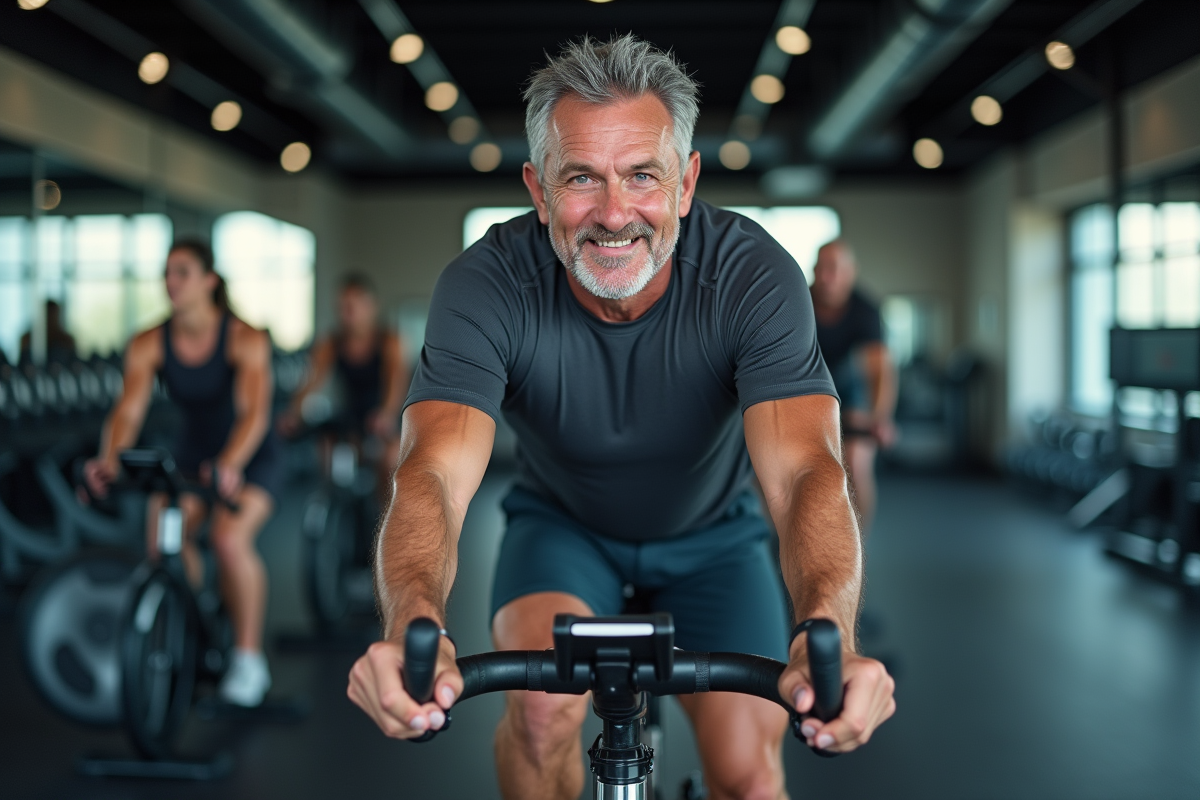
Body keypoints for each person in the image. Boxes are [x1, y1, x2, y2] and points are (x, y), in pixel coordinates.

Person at [348, 35, 895, 800]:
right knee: (540, 716)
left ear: (685, 183)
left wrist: (824, 630)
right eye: (581, 178)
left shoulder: (752, 276)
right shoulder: (486, 284)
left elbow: (808, 469)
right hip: (563, 532)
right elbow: (431, 472)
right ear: (539, 190)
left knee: (748, 775)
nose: (613, 214)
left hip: (715, 540)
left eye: (642, 175)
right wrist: (415, 625)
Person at [84, 239, 283, 708]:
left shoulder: (245, 337)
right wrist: (109, 459)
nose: (171, 282)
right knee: (164, 542)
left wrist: (230, 463)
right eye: (167, 273)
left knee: (229, 540)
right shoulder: (149, 341)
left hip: (251, 457)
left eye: (182, 272)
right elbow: (128, 411)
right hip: (192, 456)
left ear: (209, 280)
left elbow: (253, 413)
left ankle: (249, 660)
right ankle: (193, 624)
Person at [278, 273, 407, 489]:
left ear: (371, 307)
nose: (346, 314)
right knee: (328, 447)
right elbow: (311, 381)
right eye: (342, 307)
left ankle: (383, 507)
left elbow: (395, 382)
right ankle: (333, 498)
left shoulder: (389, 341)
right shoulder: (332, 343)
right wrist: (293, 411)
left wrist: (386, 413)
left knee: (390, 458)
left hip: (386, 417)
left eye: (352, 307)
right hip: (352, 416)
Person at [810, 240, 897, 535]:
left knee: (857, 465)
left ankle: (858, 543)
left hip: (851, 391)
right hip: (809, 385)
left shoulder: (865, 311)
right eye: (821, 268)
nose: (827, 277)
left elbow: (879, 370)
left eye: (835, 269)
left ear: (851, 273)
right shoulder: (798, 300)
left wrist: (880, 417)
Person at [20, 299, 77, 365]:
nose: (51, 318)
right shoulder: (28, 339)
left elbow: (74, 365)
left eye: (53, 314)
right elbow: (22, 365)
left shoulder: (66, 341)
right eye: (48, 314)